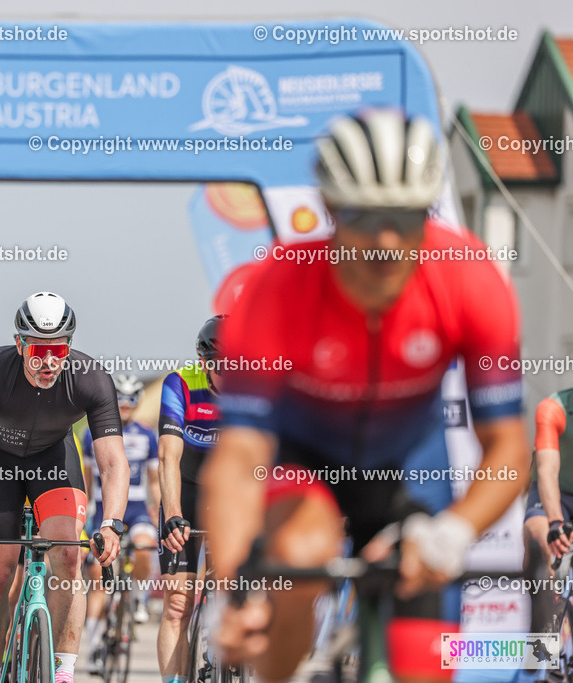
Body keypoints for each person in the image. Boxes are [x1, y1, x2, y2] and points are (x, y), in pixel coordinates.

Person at [201, 109, 528, 682]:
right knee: (295, 566)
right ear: (329, 209)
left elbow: (507, 445)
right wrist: (233, 590)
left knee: (422, 663)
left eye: (404, 218)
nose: (385, 240)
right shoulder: (278, 288)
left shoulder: (470, 280)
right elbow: (239, 456)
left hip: (409, 469)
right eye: (364, 216)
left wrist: (454, 532)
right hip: (307, 461)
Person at [0, 291, 129, 683]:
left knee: (69, 556)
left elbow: (114, 461)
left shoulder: (92, 378)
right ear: (19, 343)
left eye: (59, 350)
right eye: (37, 350)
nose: (48, 362)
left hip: (52, 460)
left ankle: (63, 672)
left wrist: (112, 523)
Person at [156, 319, 226, 683]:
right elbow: (168, 455)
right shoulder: (179, 383)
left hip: (228, 491)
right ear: (203, 361)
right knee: (177, 605)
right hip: (184, 488)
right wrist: (172, 515)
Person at [83, 373, 160, 671]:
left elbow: (154, 480)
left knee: (144, 546)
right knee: (96, 573)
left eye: (131, 399)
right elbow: (89, 480)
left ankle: (138, 598)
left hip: (138, 507)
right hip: (103, 508)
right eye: (120, 399)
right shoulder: (91, 434)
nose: (125, 405)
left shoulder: (148, 435)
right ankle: (91, 648)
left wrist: (161, 507)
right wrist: (86, 513)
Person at [525, 390, 573, 566]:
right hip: (555, 491)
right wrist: (555, 522)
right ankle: (543, 593)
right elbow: (547, 470)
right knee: (538, 538)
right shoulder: (552, 408)